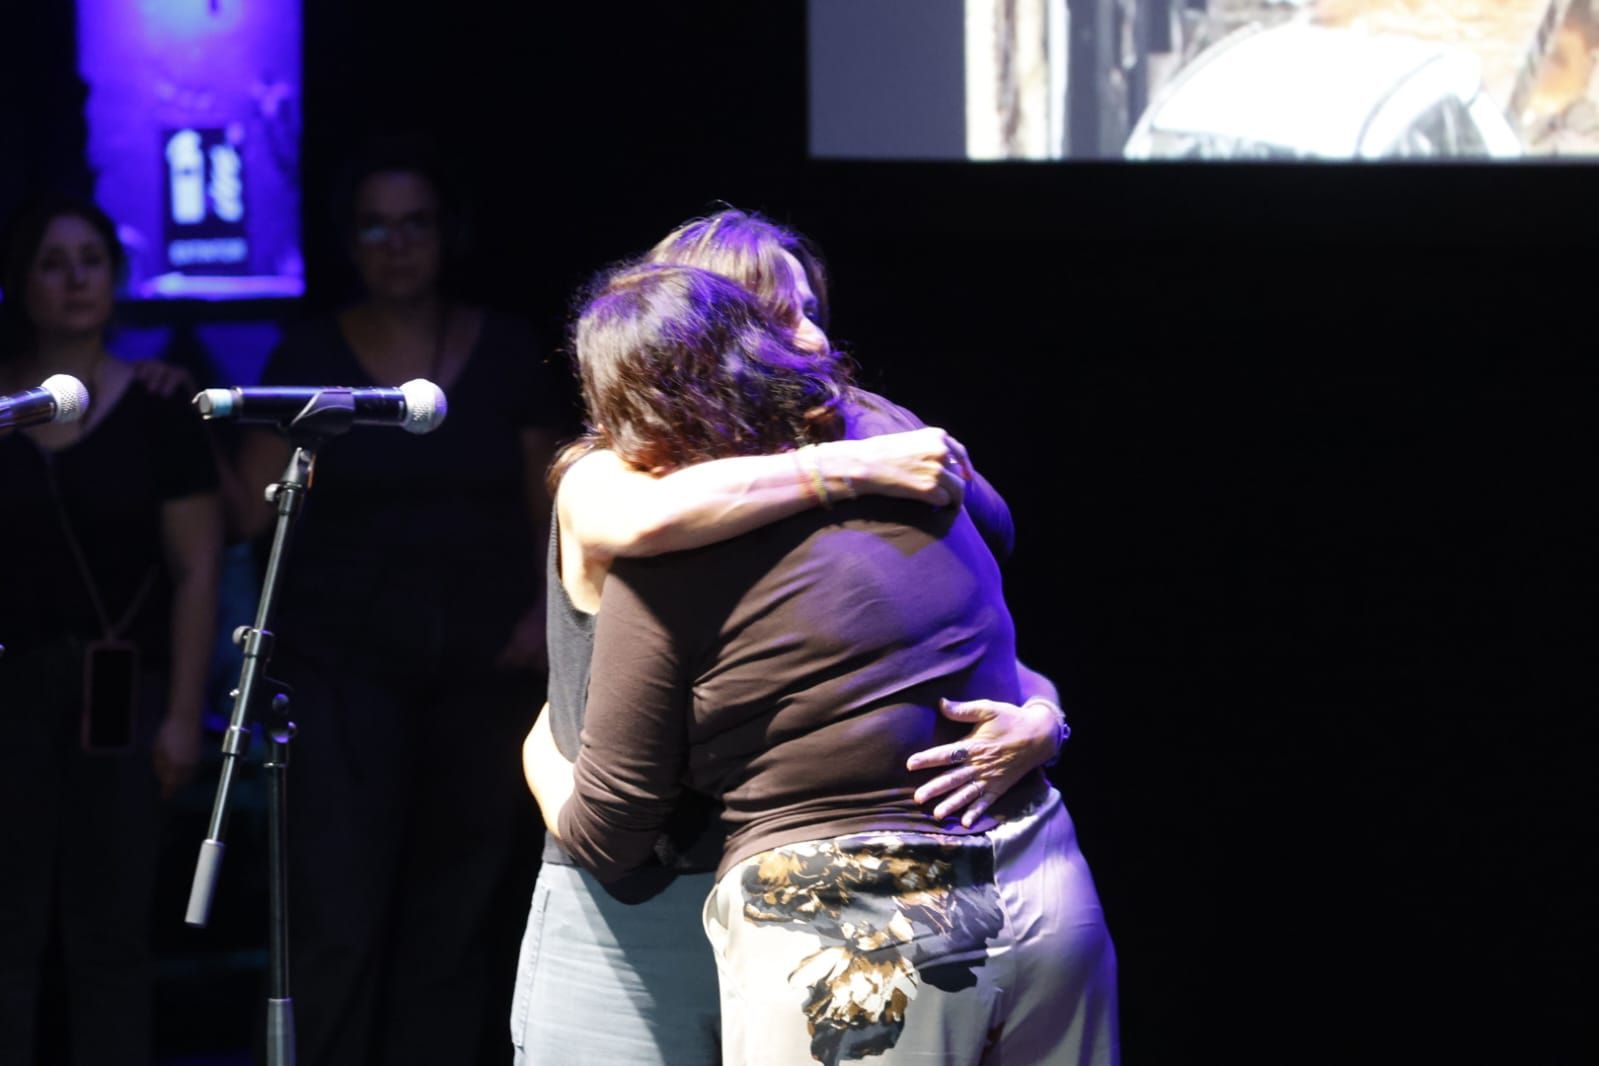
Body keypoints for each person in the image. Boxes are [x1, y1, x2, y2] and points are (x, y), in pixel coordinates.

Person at [529, 263, 1118, 1065]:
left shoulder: (659, 553)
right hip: (1037, 873)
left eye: (809, 310)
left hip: (855, 921)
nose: (810, 337)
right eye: (782, 317)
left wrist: (533, 752)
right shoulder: (896, 453)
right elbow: (984, 626)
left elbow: (610, 826)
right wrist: (1044, 714)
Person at [219, 135, 564, 1066]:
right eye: (375, 225)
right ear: (351, 240)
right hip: (343, 670)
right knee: (336, 902)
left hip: (483, 664)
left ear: (445, 234)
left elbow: (547, 496)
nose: (397, 243)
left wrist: (544, 618)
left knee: (456, 908)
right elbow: (247, 508)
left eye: (414, 223)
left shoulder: (502, 345)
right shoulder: (312, 347)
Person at [0, 197, 223, 1066]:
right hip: (10, 686)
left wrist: (180, 714)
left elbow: (197, 567)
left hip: (123, 692)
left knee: (113, 927)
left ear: (117, 277)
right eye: (52, 261)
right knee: (7, 924)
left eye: (90, 258)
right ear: (22, 281)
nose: (74, 277)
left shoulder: (159, 403)